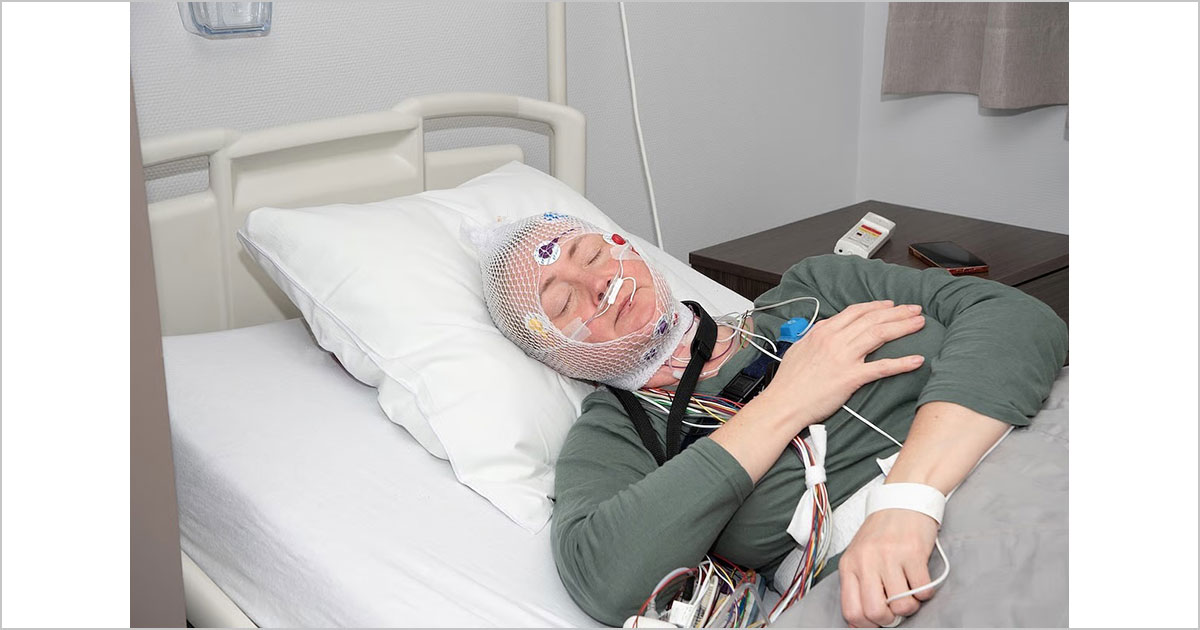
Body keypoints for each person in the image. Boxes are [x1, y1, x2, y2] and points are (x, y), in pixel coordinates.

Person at [470, 213, 1068, 627]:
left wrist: (908, 502)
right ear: (553, 350)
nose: (599, 284)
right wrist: (790, 400)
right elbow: (605, 578)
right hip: (924, 570)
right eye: (563, 302)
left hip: (1035, 441)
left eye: (593, 254)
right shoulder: (619, 431)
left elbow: (1018, 318)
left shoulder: (817, 287)